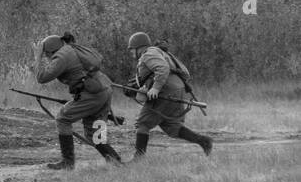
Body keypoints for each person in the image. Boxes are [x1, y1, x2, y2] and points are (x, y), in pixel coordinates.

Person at [34, 32, 125, 169]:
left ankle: (68, 163)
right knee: (94, 133)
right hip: (103, 89)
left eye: (46, 54)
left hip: (92, 94)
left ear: (50, 51)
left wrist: (37, 58)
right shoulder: (69, 49)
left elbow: (42, 77)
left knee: (62, 118)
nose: (46, 57)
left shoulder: (61, 56)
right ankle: (116, 162)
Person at [124, 32, 213, 159]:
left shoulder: (148, 54)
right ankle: (204, 141)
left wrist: (155, 88)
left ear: (139, 47)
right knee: (172, 126)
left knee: (143, 124)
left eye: (132, 49)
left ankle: (139, 159)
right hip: (177, 89)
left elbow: (163, 68)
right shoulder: (157, 52)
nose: (131, 52)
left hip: (166, 90)